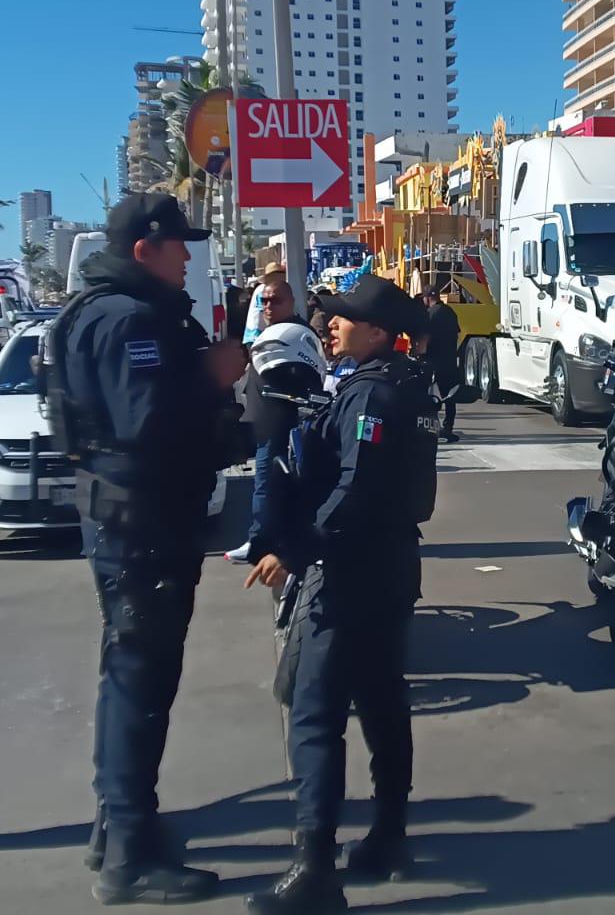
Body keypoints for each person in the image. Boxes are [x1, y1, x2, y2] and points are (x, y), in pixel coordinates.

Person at [45, 193, 248, 904]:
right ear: (144, 250)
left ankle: (120, 827)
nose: (187, 257)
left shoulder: (97, 310)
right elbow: (147, 421)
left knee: (127, 679)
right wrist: (211, 375)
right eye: (177, 246)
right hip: (144, 523)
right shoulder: (128, 320)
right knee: (141, 685)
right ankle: (129, 855)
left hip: (130, 519)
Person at [242, 275, 437, 913]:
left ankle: (314, 872)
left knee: (313, 711)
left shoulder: (374, 394)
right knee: (381, 698)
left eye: (343, 318)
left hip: (353, 569)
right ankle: (388, 836)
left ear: (377, 332)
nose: (329, 325)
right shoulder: (389, 381)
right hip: (384, 566)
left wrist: (291, 550)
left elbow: (355, 489)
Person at [226, 275, 309, 564]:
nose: (269, 306)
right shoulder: (268, 331)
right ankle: (269, 540)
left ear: (291, 301)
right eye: (264, 301)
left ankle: (259, 542)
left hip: (281, 419)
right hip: (264, 417)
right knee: (268, 483)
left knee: (267, 483)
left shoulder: (295, 333)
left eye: (276, 300)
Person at [420, 285, 462, 443]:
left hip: (433, 361)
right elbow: (457, 332)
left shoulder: (430, 314)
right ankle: (448, 428)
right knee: (450, 396)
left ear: (427, 297)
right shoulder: (450, 312)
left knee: (431, 396)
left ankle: (432, 427)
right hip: (450, 360)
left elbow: (425, 337)